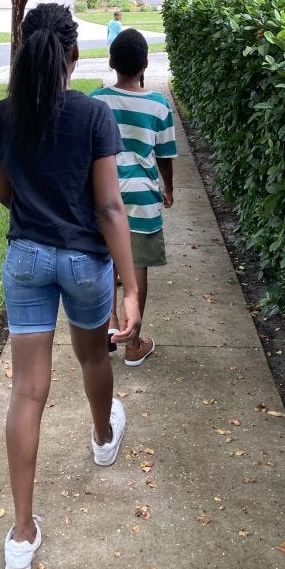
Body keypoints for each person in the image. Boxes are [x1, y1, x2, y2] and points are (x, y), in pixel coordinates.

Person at [0, 2, 141, 569]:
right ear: (74, 54)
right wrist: (129, 286)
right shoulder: (93, 116)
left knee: (28, 390)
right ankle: (103, 437)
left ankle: (21, 534)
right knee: (93, 353)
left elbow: (5, 194)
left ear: (26, 51)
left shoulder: (4, 115)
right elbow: (107, 206)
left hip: (25, 258)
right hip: (83, 262)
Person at [91, 28, 177, 366]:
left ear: (111, 63)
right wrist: (167, 188)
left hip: (103, 195)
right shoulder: (158, 105)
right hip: (142, 198)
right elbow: (165, 155)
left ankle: (107, 332)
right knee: (136, 267)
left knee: (105, 264)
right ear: (145, 63)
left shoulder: (97, 100)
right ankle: (134, 344)